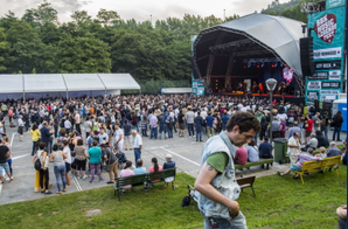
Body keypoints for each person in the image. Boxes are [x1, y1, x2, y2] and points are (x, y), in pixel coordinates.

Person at [194, 111, 260, 229]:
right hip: (221, 213)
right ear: (235, 129)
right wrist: (231, 204)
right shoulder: (221, 152)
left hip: (211, 209)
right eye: (247, 136)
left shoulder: (214, 140)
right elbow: (201, 184)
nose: (249, 141)